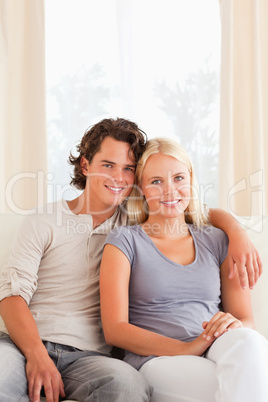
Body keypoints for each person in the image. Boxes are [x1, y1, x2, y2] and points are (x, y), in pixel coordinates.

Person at [0, 118, 262, 402]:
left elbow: (183, 205)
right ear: (86, 166)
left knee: (127, 387)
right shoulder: (45, 220)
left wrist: (237, 232)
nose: (119, 178)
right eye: (108, 165)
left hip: (90, 356)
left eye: (128, 169)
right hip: (26, 343)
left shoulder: (131, 220)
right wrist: (36, 353)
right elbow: (12, 296)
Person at [100, 137, 268, 402]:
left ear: (190, 179)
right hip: (158, 360)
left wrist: (233, 324)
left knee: (250, 343)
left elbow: (245, 319)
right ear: (141, 188)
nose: (170, 191)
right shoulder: (124, 241)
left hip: (216, 346)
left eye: (178, 178)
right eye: (156, 182)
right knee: (237, 380)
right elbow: (115, 329)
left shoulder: (216, 239)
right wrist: (187, 348)